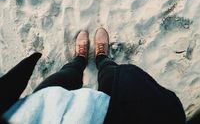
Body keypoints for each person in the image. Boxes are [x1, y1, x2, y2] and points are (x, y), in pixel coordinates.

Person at [0, 28, 186, 124]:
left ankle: (81, 59)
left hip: (39, 112)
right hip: (112, 115)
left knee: (67, 75)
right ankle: (102, 58)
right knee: (111, 76)